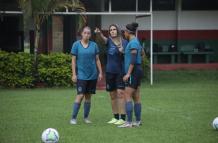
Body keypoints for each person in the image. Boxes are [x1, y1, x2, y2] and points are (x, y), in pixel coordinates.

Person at [95, 24, 128, 125]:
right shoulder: (108, 41)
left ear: (118, 30)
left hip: (120, 72)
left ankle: (122, 118)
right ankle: (115, 117)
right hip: (109, 72)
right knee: (112, 95)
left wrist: (123, 52)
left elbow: (128, 56)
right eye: (111, 30)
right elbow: (103, 38)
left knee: (120, 94)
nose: (112, 31)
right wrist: (99, 33)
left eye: (114, 29)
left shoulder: (125, 42)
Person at [70, 26, 103, 125]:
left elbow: (97, 59)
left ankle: (86, 117)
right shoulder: (76, 45)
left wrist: (100, 72)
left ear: (90, 35)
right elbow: (73, 60)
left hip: (92, 75)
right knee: (80, 96)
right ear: (81, 34)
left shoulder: (94, 45)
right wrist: (74, 74)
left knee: (88, 97)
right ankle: (73, 118)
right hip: (81, 76)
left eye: (88, 33)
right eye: (85, 33)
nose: (87, 34)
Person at [118, 22, 144, 128]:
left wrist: (128, 73)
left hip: (133, 72)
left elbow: (133, 59)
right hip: (137, 70)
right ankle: (137, 121)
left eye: (124, 31)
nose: (124, 33)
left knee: (127, 95)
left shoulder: (133, 42)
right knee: (136, 96)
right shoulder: (135, 41)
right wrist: (124, 52)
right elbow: (142, 53)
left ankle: (128, 122)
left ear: (128, 32)